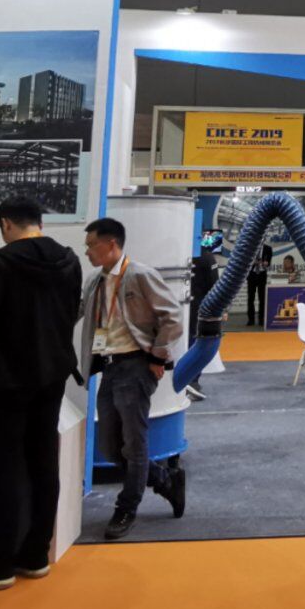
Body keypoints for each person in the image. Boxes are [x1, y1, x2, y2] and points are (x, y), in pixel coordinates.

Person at [0, 198, 81, 591]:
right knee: (44, 462)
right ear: (39, 222)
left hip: (5, 380)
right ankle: (35, 554)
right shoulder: (70, 260)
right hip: (52, 374)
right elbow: (69, 314)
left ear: (6, 223)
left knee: (5, 469)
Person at [82, 218, 186, 539]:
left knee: (134, 443)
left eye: (91, 245)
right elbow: (78, 310)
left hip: (136, 366)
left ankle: (126, 508)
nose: (87, 251)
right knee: (109, 446)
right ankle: (164, 480)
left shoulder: (140, 275)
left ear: (111, 244)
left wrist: (157, 356)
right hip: (110, 367)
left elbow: (173, 316)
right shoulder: (95, 281)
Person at [185, 249, 218, 402]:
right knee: (195, 342)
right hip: (197, 309)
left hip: (191, 309)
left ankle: (189, 380)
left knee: (191, 342)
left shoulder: (204, 257)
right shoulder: (207, 257)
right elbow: (215, 286)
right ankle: (191, 380)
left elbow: (214, 286)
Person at [246, 243, 271, 326]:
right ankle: (251, 320)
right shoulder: (250, 248)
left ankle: (261, 320)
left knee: (262, 298)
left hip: (262, 275)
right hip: (252, 275)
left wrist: (266, 263)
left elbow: (269, 262)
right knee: (250, 298)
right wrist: (253, 262)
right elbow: (247, 261)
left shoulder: (268, 248)